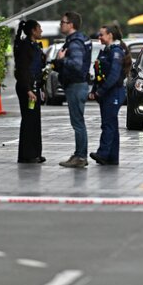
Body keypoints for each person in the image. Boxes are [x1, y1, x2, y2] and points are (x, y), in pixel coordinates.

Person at [53, 11, 92, 168]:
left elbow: (76, 64)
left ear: (71, 25)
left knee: (78, 123)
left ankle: (80, 157)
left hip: (75, 85)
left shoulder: (75, 42)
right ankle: (78, 154)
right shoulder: (80, 39)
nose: (60, 24)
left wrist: (61, 61)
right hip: (78, 84)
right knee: (78, 122)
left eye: (63, 22)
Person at [89, 24, 129, 166]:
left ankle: (103, 154)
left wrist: (101, 91)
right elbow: (99, 73)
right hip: (108, 93)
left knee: (108, 125)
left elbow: (113, 75)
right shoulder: (106, 51)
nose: (99, 37)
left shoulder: (116, 51)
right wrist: (95, 90)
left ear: (110, 35)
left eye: (101, 35)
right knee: (111, 124)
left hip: (113, 92)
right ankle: (112, 157)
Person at [14, 19, 46, 164]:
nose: (41, 31)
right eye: (39, 28)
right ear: (33, 31)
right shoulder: (25, 47)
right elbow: (23, 70)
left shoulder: (34, 46)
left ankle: (35, 153)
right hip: (28, 88)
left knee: (35, 120)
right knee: (29, 120)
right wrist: (28, 89)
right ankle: (27, 155)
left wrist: (41, 87)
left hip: (34, 87)